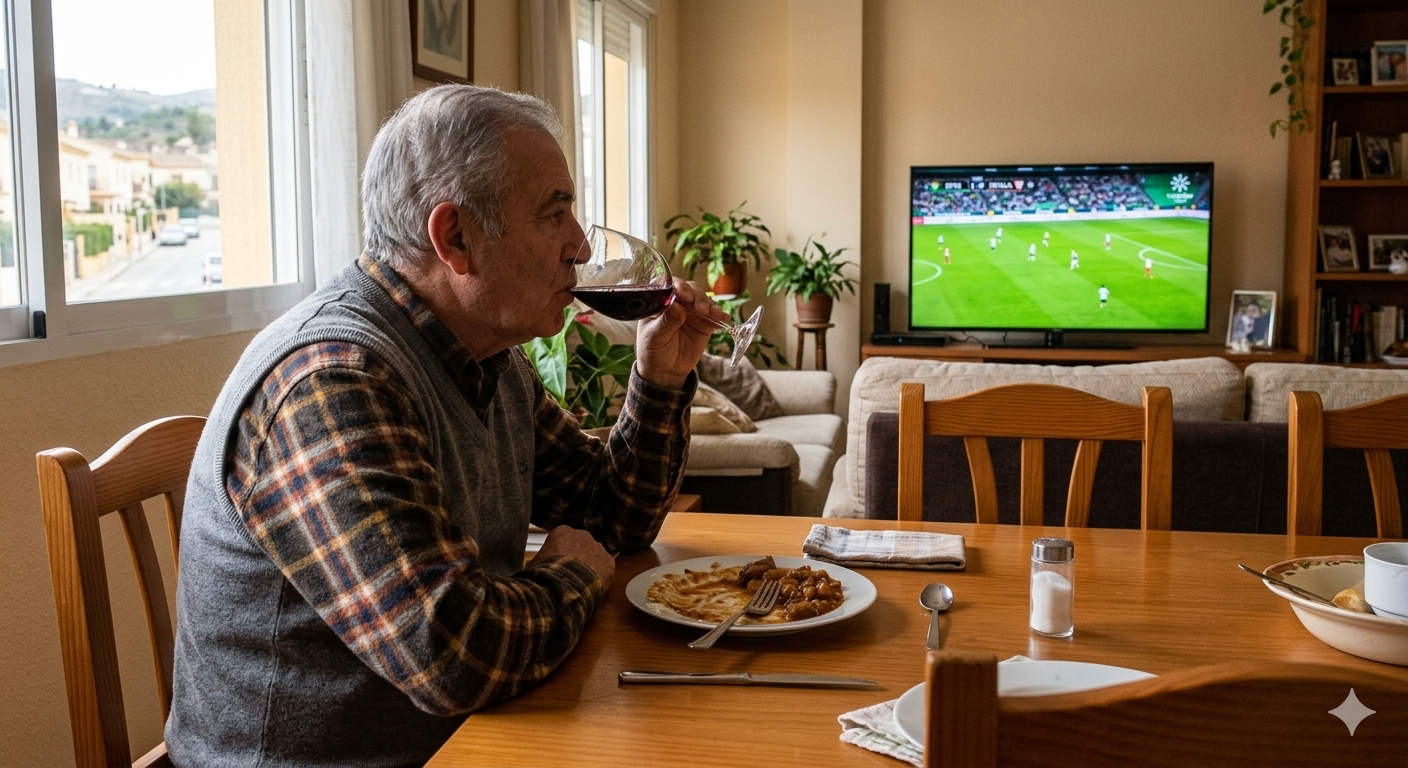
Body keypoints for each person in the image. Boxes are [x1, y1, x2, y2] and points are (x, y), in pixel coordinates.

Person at [166, 85, 722, 766]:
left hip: (468, 739)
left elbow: (611, 519)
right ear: (454, 236)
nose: (580, 245)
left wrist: (660, 381)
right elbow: (452, 655)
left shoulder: (487, 357)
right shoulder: (332, 380)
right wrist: (572, 575)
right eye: (556, 214)